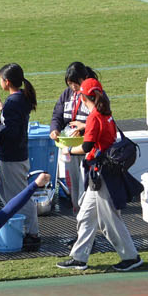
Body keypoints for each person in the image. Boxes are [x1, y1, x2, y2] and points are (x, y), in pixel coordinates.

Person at [57, 79, 143, 272]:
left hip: (102, 176)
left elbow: (86, 147)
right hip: (102, 174)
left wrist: (68, 150)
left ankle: (131, 257)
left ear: (83, 97)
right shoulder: (105, 113)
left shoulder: (94, 117)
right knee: (86, 216)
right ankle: (79, 258)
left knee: (109, 221)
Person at [0, 63, 40, 252]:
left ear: (6, 82)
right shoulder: (19, 99)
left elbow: (11, 131)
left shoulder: (14, 102)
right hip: (15, 155)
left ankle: (32, 233)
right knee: (6, 192)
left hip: (13, 156)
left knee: (19, 196)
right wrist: (3, 111)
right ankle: (21, 227)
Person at [49, 62, 97, 210]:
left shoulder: (94, 94)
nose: (73, 87)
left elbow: (101, 118)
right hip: (70, 146)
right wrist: (55, 129)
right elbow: (57, 115)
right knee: (74, 183)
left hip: (88, 147)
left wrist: (84, 127)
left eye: (75, 83)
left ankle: (88, 212)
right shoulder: (67, 94)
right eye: (70, 84)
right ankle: (78, 209)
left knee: (87, 182)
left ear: (84, 78)